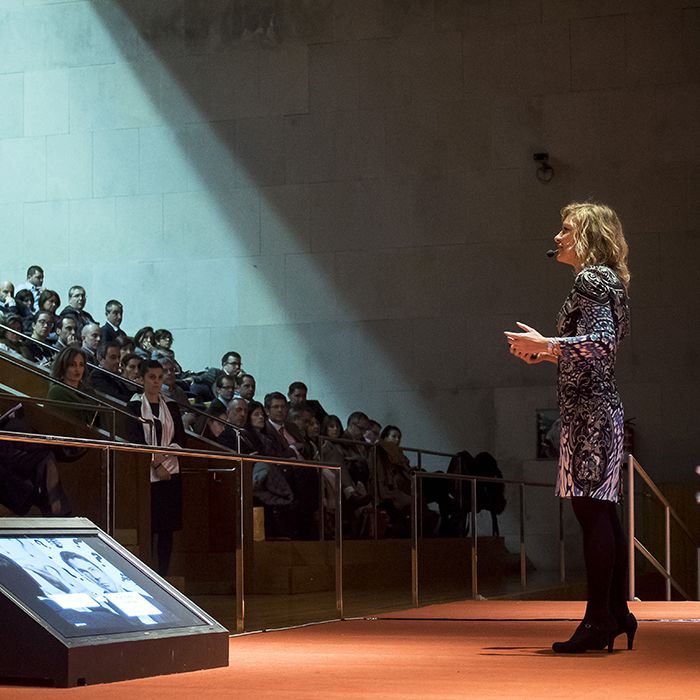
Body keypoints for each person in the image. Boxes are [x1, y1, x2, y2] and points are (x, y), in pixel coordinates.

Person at [504, 202, 634, 654]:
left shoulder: (590, 278)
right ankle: (616, 613)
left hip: (589, 414)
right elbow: (599, 346)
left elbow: (600, 345)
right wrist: (545, 352)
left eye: (565, 229)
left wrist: (548, 343)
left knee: (591, 513)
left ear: (587, 236)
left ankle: (600, 620)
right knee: (603, 514)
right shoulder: (609, 280)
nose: (557, 237)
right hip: (599, 407)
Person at [127, 360, 185, 577]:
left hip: (171, 471)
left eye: (160, 377)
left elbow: (180, 437)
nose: (157, 382)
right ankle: (148, 574)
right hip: (146, 473)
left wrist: (165, 460)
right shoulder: (134, 405)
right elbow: (135, 439)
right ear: (142, 379)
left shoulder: (171, 405)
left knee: (167, 528)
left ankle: (164, 572)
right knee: (149, 526)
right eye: (152, 377)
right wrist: (156, 463)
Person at [47, 346, 99, 425]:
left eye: (81, 365)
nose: (77, 369)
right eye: (72, 365)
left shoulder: (89, 392)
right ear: (63, 366)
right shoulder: (57, 391)